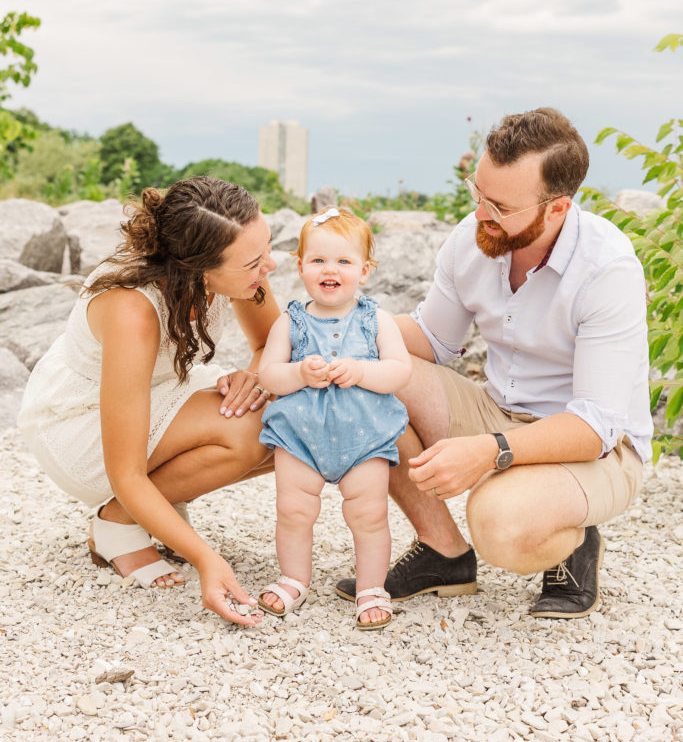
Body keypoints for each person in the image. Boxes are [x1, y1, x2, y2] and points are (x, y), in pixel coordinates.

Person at [336, 108, 652, 618]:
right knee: (362, 378)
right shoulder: (474, 235)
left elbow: (594, 426)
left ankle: (573, 541)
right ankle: (444, 552)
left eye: (499, 205)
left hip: (597, 448)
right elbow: (432, 340)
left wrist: (489, 452)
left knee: (501, 527)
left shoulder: (607, 270)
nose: (481, 213)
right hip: (499, 410)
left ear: (557, 209)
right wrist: (331, 332)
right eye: (476, 192)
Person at [19, 176, 281, 627]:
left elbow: (272, 344)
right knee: (254, 429)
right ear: (199, 270)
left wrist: (254, 375)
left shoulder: (243, 274)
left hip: (166, 384)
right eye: (254, 262)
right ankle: (117, 523)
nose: (270, 266)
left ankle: (146, 513)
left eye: (267, 249)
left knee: (293, 417)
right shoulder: (131, 310)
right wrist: (206, 560)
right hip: (82, 422)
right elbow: (125, 471)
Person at [256, 207, 411, 628]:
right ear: (301, 266)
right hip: (300, 439)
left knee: (369, 514)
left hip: (364, 440)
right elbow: (268, 374)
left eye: (343, 261)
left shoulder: (375, 319)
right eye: (319, 260)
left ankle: (371, 588)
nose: (331, 269)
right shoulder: (290, 321)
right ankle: (293, 578)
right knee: (293, 510)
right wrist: (299, 372)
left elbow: (400, 369)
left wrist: (361, 371)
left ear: (364, 270)